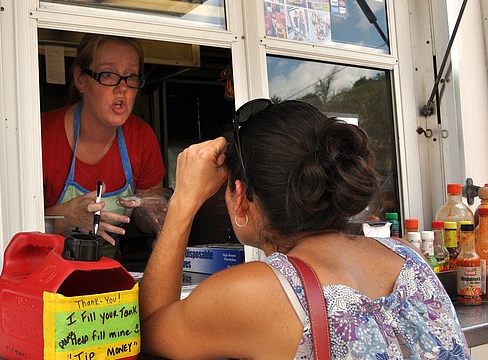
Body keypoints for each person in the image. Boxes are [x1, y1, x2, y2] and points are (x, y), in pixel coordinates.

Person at [139, 99, 469, 359]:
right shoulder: (409, 256)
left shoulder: (256, 291)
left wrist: (183, 200)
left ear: (241, 198)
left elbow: (150, 328)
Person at [41, 34, 166, 259]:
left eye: (131, 76)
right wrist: (65, 217)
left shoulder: (141, 137)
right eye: (108, 74)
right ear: (80, 79)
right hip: (41, 272)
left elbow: (145, 221)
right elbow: (11, 221)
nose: (122, 88)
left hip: (107, 270)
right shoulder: (41, 135)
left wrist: (156, 214)